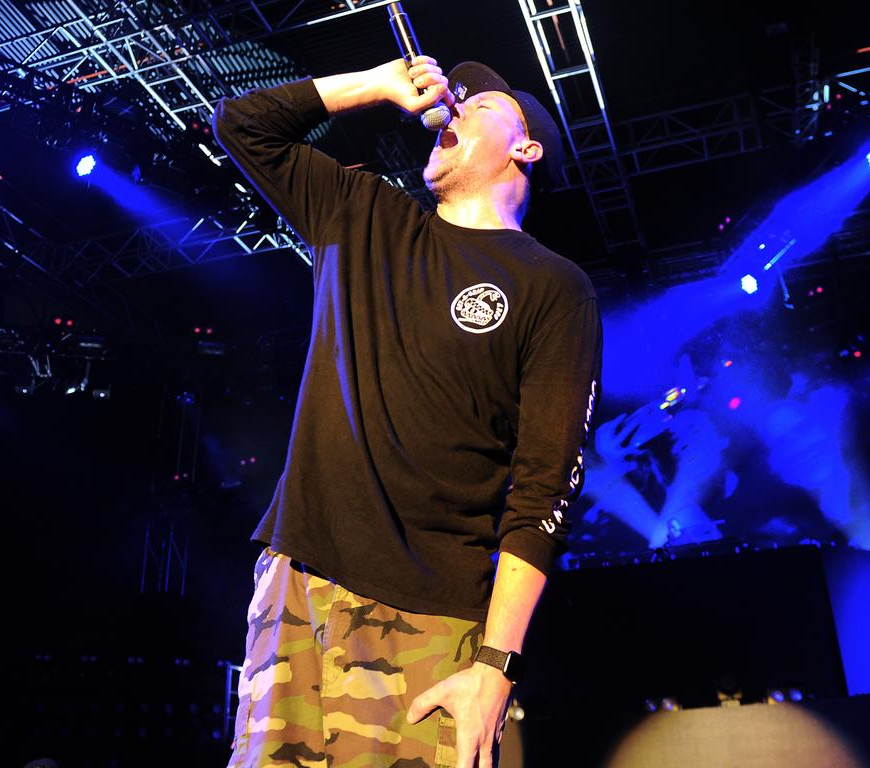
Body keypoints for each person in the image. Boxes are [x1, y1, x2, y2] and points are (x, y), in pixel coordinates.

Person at [213, 54, 602, 768]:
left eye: (478, 106)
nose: (452, 107)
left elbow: (546, 491)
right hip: (296, 587)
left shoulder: (553, 287)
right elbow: (243, 126)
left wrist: (496, 665)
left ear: (526, 147)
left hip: (426, 617)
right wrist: (373, 84)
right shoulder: (364, 216)